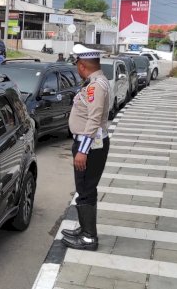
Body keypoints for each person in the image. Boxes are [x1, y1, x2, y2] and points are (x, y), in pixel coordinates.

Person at [60, 44, 111, 251]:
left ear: (82, 65)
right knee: (85, 189)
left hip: (89, 144)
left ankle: (89, 237)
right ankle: (85, 229)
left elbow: (94, 118)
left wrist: (83, 150)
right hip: (91, 143)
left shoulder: (95, 86)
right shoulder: (97, 81)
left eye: (77, 65)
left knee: (85, 189)